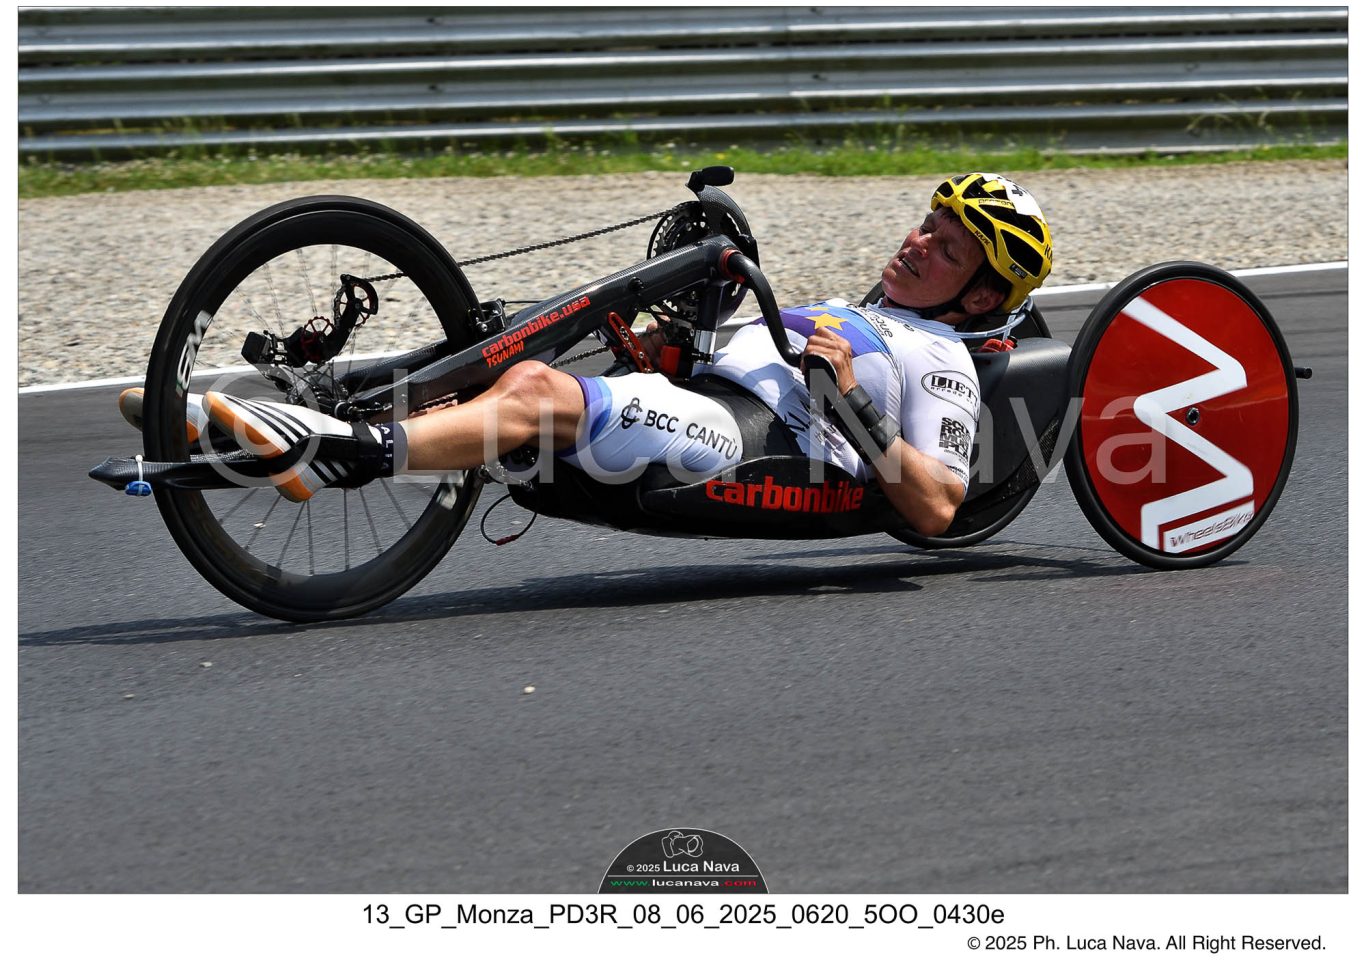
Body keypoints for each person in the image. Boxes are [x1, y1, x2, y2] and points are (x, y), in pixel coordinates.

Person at [194, 172, 1053, 536]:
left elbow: (937, 507)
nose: (917, 243)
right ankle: (262, 427)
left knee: (535, 391)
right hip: (715, 402)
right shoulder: (857, 311)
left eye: (946, 248)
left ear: (982, 298)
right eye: (926, 225)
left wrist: (848, 398)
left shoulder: (939, 356)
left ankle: (344, 450)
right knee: (506, 361)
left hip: (757, 443)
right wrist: (668, 351)